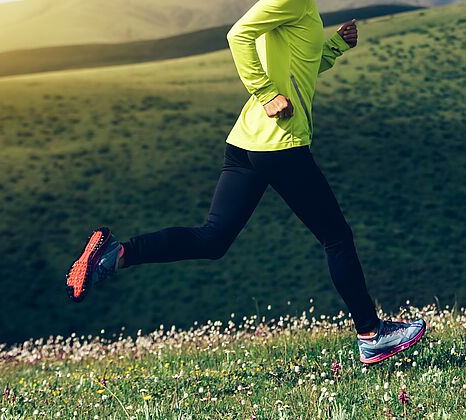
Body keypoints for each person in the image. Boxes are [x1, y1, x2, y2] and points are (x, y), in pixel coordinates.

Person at [65, 0, 425, 365]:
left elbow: (297, 69)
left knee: (212, 239)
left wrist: (334, 46)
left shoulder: (301, 6)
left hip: (247, 142)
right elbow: (237, 35)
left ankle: (116, 256)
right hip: (278, 143)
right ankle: (370, 333)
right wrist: (266, 94)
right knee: (336, 237)